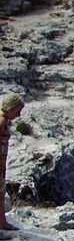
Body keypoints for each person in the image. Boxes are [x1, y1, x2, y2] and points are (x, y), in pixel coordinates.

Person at [1, 94, 25, 233]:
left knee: (1, 194)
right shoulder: (2, 120)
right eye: (17, 111)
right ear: (11, 108)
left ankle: (3, 223)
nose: (18, 115)